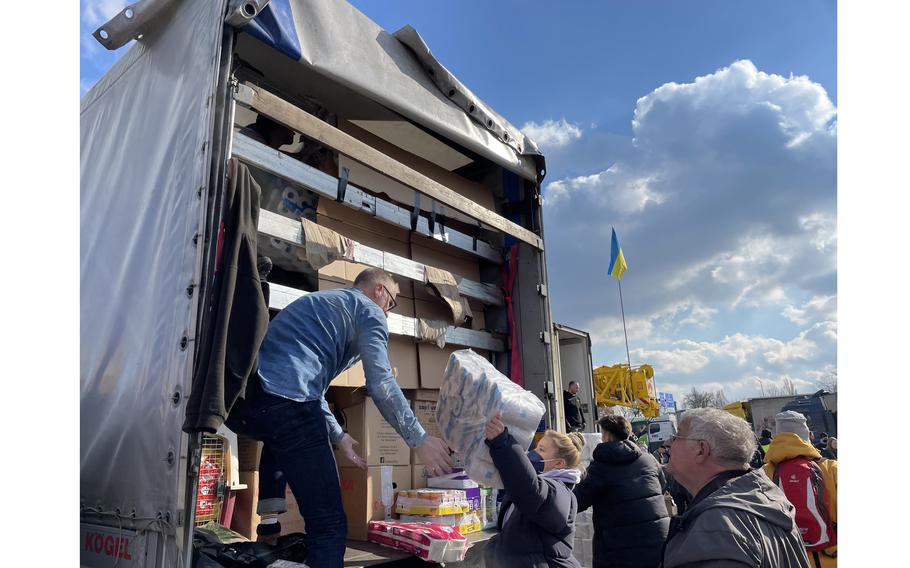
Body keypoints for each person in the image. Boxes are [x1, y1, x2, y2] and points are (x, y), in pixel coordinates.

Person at [227, 268, 453, 568]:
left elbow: (309, 388)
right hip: (288, 405)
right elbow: (381, 384)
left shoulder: (323, 306)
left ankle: (268, 530)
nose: (388, 311)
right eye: (392, 302)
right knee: (330, 524)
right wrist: (419, 438)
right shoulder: (369, 310)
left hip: (250, 405)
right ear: (378, 291)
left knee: (280, 442)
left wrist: (339, 435)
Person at [662, 408, 810, 567]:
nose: (667, 443)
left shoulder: (717, 529)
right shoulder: (766, 499)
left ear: (701, 450)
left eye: (677, 436)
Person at [483, 414, 585, 568]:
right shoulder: (541, 484)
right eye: (536, 447)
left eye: (542, 450)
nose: (533, 453)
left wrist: (502, 444)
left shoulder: (562, 493)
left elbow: (530, 491)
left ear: (559, 463)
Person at [573, 415, 669, 568]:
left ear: (607, 435)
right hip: (659, 544)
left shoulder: (601, 467)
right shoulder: (649, 460)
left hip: (620, 549)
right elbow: (662, 485)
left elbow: (576, 501)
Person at [764, 411, 838, 567]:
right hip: (833, 555)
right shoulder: (831, 468)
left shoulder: (763, 474)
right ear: (808, 435)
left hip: (789, 559)